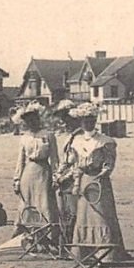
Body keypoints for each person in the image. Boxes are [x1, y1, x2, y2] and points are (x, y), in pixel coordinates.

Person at [69, 103, 129, 261]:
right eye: (84, 120)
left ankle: (105, 254)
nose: (87, 123)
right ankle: (84, 252)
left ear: (95, 121)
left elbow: (109, 163)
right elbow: (75, 164)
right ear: (80, 122)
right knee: (83, 216)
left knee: (102, 214)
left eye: (90, 120)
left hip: (99, 182)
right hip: (83, 181)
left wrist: (101, 175)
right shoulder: (76, 141)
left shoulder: (105, 141)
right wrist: (76, 182)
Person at [12, 102, 60, 231]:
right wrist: (17, 179)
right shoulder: (24, 138)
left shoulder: (48, 135)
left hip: (44, 171)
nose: (32, 122)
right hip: (28, 172)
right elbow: (20, 160)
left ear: (38, 119)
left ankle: (46, 233)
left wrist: (56, 176)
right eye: (28, 120)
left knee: (44, 202)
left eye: (34, 119)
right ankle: (27, 233)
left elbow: (55, 158)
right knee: (27, 202)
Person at [51, 99, 82, 241]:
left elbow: (78, 163)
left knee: (73, 212)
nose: (64, 123)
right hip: (65, 180)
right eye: (62, 119)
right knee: (64, 212)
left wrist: (64, 177)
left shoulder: (81, 138)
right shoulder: (69, 137)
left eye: (67, 119)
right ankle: (65, 243)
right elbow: (65, 160)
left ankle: (73, 243)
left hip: (76, 180)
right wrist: (57, 174)